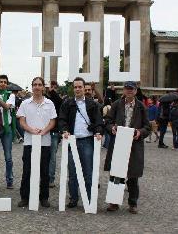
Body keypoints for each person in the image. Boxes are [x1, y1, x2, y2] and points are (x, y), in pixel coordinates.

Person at [104, 81, 150, 214]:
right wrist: (111, 128)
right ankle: (114, 202)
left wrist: (140, 132)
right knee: (116, 175)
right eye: (127, 89)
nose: (129, 91)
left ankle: (133, 203)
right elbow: (107, 121)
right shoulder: (116, 104)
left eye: (132, 89)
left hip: (134, 145)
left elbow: (147, 127)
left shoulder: (141, 107)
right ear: (123, 90)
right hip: (118, 143)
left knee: (133, 176)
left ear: (136, 91)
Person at [58, 77, 103, 208]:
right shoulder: (67, 103)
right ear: (73, 89)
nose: (77, 89)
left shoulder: (92, 104)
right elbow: (62, 120)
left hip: (87, 140)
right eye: (75, 87)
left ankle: (89, 199)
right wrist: (64, 130)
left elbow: (99, 121)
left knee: (88, 172)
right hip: (72, 141)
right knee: (72, 172)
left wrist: (98, 131)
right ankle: (73, 198)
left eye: (80, 87)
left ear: (84, 88)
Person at [16, 77, 56, 208]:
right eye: (35, 85)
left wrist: (44, 131)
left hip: (45, 142)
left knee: (44, 171)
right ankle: (25, 197)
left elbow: (53, 121)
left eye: (39, 85)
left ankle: (44, 197)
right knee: (27, 170)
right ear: (32, 87)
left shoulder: (49, 103)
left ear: (43, 87)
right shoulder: (25, 103)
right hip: (29, 142)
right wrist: (31, 130)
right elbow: (21, 121)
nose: (37, 87)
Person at [0, 75, 15, 189]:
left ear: (7, 84)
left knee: (8, 157)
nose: (3, 84)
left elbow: (6, 107)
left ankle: (9, 180)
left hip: (7, 129)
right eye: (1, 82)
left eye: (5, 82)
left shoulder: (11, 95)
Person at [45, 80, 63, 188]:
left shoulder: (57, 100)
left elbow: (59, 102)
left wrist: (52, 92)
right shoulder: (44, 99)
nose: (52, 89)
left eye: (54, 87)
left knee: (52, 156)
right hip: (43, 131)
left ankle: (50, 178)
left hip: (54, 132)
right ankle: (43, 177)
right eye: (51, 87)